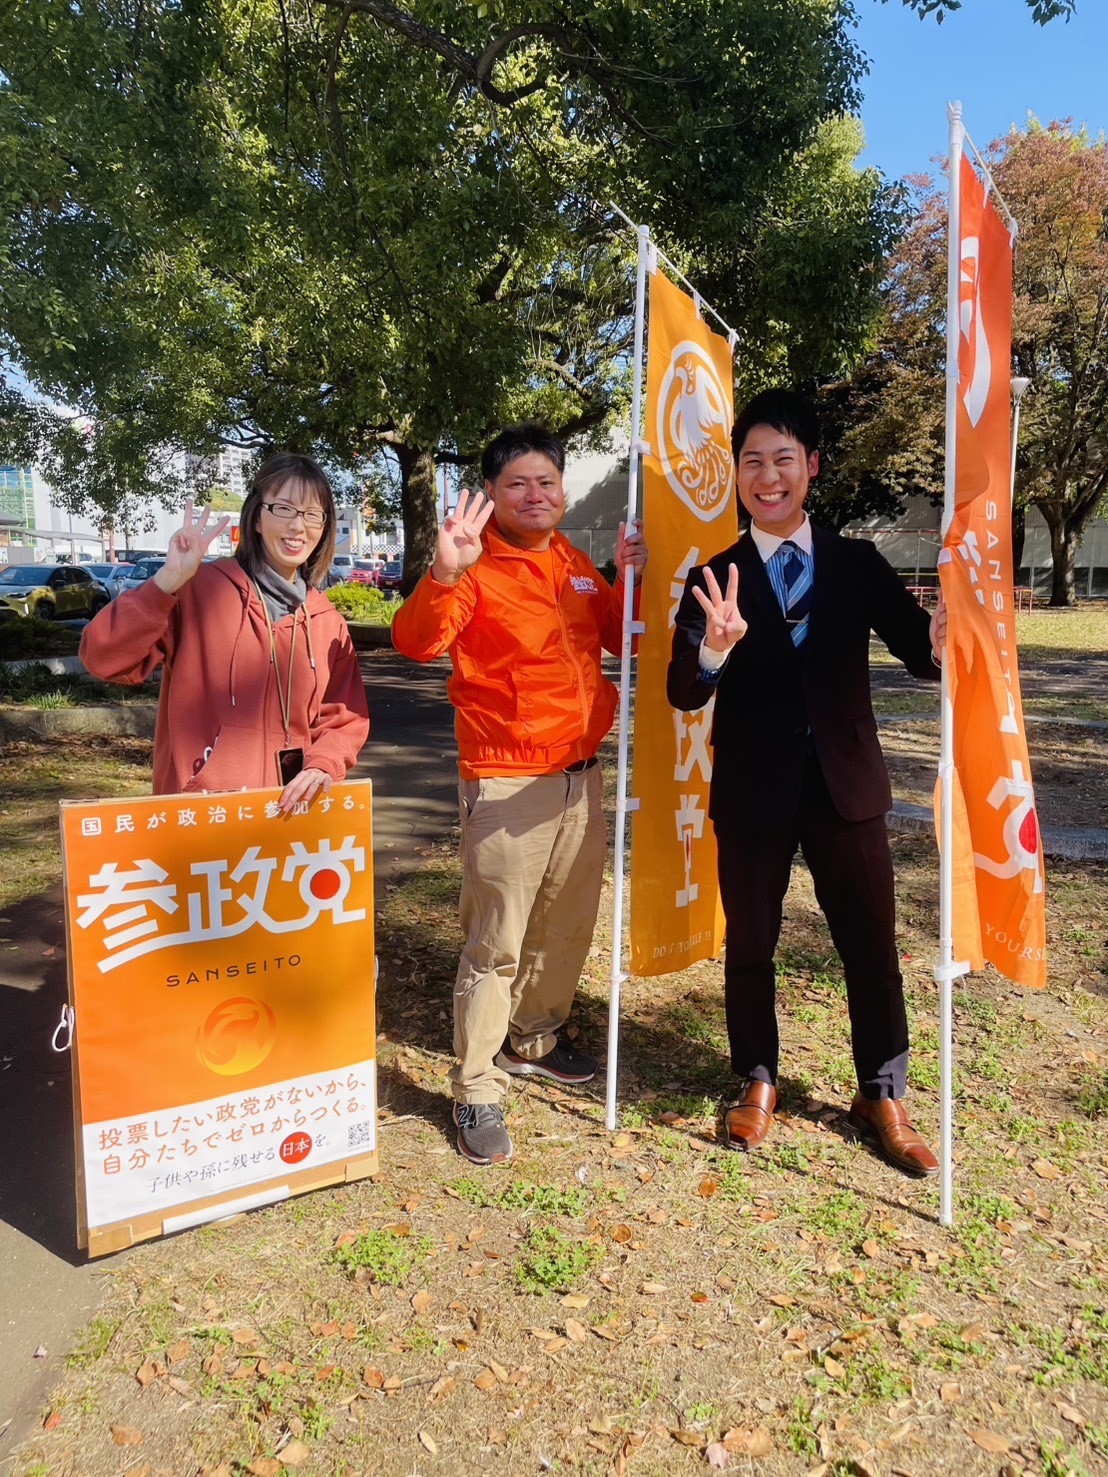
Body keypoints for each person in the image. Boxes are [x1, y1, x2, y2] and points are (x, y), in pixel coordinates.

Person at [666, 390, 946, 1176]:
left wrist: (944, 635)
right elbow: (682, 690)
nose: (768, 476)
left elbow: (922, 653)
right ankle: (757, 1077)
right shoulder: (714, 575)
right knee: (751, 944)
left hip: (846, 788)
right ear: (737, 473)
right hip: (752, 790)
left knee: (871, 945)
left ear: (812, 466)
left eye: (783, 459)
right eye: (752, 461)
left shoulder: (857, 562)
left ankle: (881, 1091)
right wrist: (715, 649)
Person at [392, 423, 647, 1166]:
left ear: (562, 489)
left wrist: (627, 577)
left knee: (566, 925)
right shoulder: (474, 565)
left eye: (546, 482)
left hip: (580, 776)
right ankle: (476, 1085)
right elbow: (416, 642)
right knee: (496, 940)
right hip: (506, 779)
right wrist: (444, 574)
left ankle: (531, 1039)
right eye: (517, 484)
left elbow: (621, 640)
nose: (535, 495)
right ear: (492, 492)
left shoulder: (571, 560)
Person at [80, 454, 369, 808]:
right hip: (203, 815)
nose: (298, 526)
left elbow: (343, 719)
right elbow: (101, 658)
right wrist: (166, 582)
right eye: (283, 509)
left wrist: (324, 763)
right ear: (257, 517)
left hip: (287, 817)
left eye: (312, 514)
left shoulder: (326, 621)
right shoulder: (199, 590)